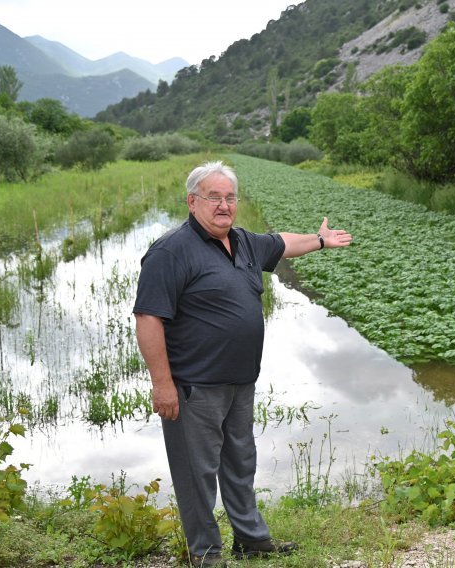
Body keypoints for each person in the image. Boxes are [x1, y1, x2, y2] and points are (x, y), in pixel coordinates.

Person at [133, 160, 352, 566]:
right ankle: (206, 554)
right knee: (196, 476)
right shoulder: (170, 251)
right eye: (213, 197)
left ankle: (251, 539)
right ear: (192, 201)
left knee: (240, 463)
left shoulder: (243, 242)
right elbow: (148, 318)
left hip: (240, 382)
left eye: (229, 197)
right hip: (194, 387)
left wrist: (319, 241)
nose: (223, 205)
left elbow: (282, 242)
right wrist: (162, 384)